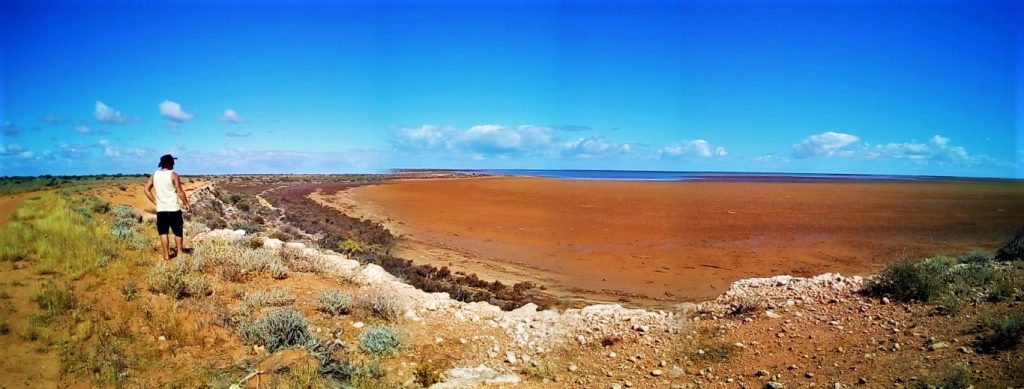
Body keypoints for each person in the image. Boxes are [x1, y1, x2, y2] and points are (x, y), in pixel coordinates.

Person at [144, 154, 191, 260]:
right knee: (178, 232)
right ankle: (179, 253)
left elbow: (146, 189)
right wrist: (186, 203)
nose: (174, 164)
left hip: (161, 209)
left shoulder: (154, 175)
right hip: (173, 208)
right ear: (169, 163)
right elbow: (179, 191)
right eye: (172, 162)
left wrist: (155, 202)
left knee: (163, 232)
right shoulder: (173, 175)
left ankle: (166, 255)